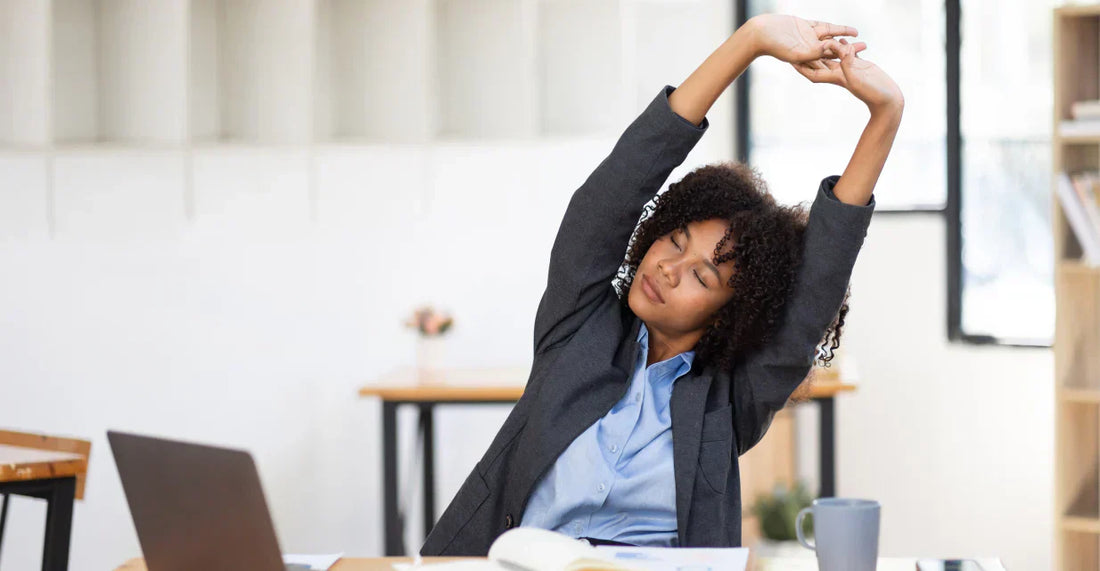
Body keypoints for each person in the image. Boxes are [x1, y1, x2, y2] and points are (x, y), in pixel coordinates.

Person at [420, 13, 903, 555]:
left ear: (728, 313)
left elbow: (817, 285)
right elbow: (612, 192)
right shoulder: (579, 330)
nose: (668, 269)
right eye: (673, 240)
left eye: (702, 274)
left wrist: (885, 112)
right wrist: (750, 41)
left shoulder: (731, 399)